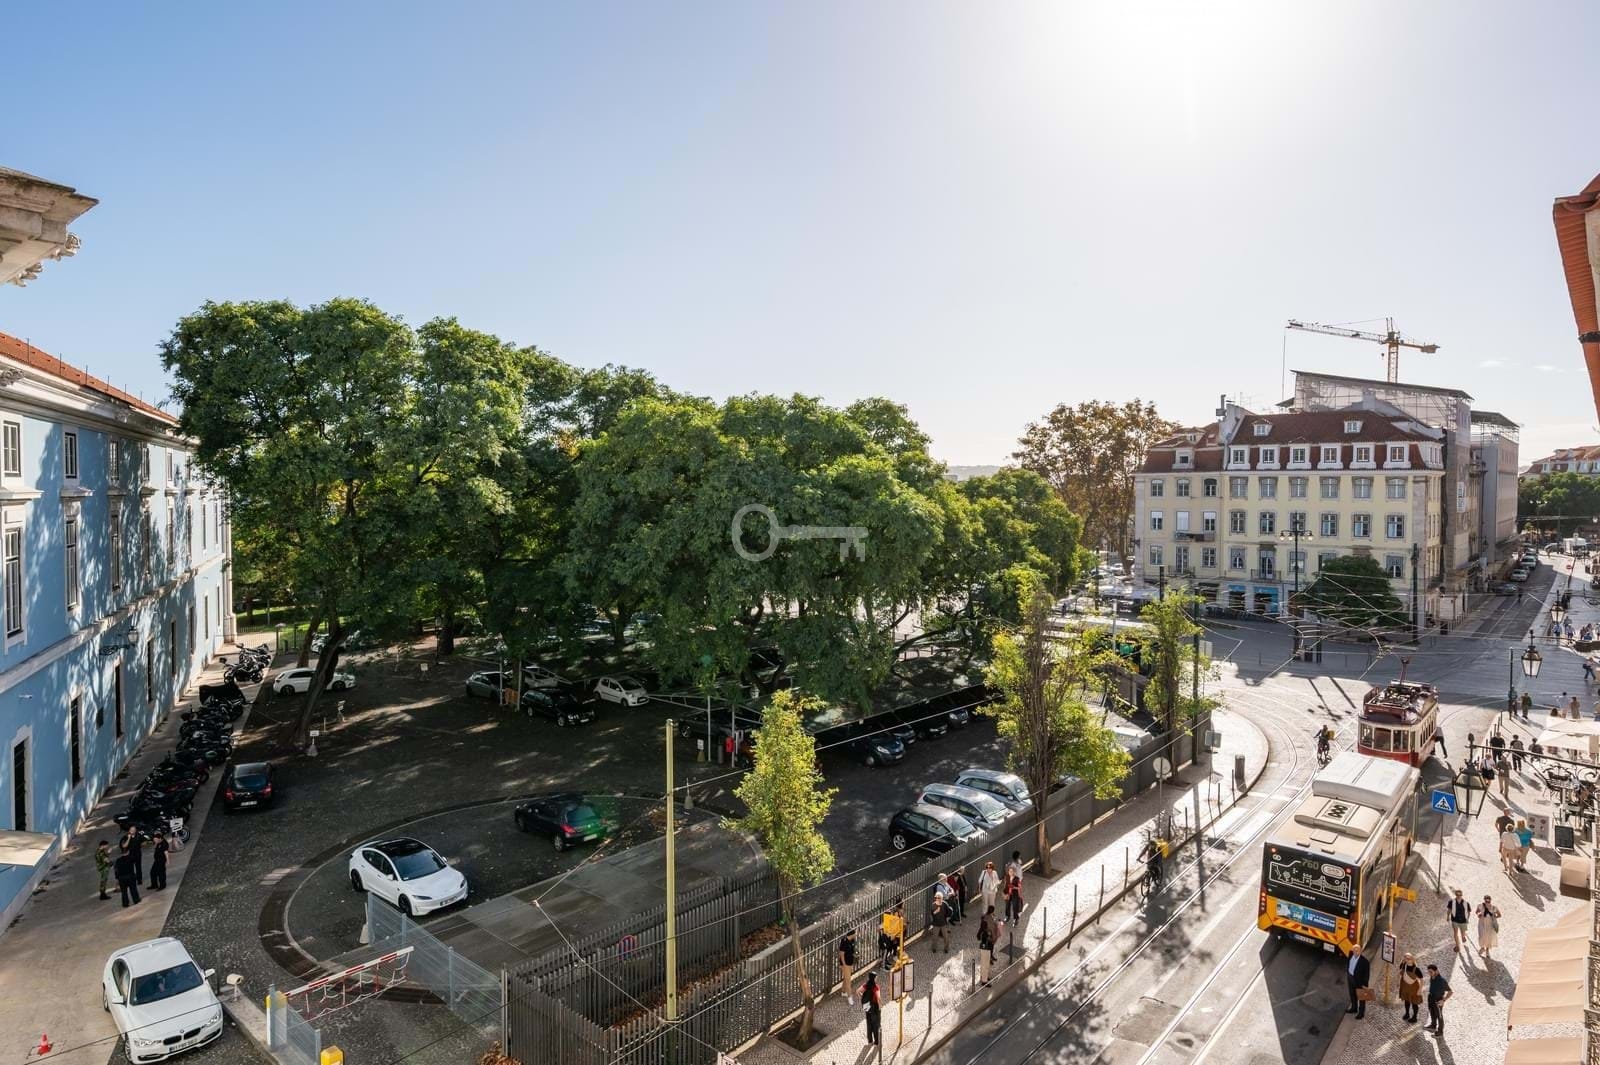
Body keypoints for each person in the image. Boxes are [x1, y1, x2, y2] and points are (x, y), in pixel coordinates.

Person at [1425, 964, 1452, 1035]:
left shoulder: (1442, 981)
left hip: (1438, 1000)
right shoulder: (1432, 977)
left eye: (1431, 972)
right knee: (1432, 1013)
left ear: (1436, 971)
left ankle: (1440, 1031)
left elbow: (1450, 992)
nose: (1429, 973)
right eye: (1428, 972)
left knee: (1439, 1016)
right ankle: (1433, 1025)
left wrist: (1443, 1000)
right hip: (1431, 998)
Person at [1398, 953, 1424, 1023]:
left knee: (1414, 1003)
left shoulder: (1416, 969)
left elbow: (1421, 980)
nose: (1407, 960)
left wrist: (1420, 989)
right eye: (1405, 958)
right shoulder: (1404, 965)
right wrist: (1402, 962)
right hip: (1405, 986)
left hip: (1414, 988)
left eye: (1408, 958)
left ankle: (1414, 1017)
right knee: (1406, 1000)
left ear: (1412, 959)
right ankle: (1407, 1014)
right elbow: (1400, 969)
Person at [1345, 949, 1371, 1019]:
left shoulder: (1365, 962)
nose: (1355, 952)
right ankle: (1354, 1008)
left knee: (1362, 998)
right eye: (1354, 950)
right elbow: (1348, 963)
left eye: (1357, 951)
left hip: (1360, 983)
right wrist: (1348, 972)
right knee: (1352, 994)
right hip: (1351, 979)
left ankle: (1361, 1013)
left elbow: (1366, 975)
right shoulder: (1350, 954)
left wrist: (1364, 985)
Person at [976, 905, 999, 985]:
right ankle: (984, 981)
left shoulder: (986, 921)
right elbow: (979, 935)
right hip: (985, 946)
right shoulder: (985, 927)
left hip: (986, 945)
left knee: (986, 963)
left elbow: (979, 935)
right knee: (985, 964)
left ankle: (984, 977)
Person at [837, 927, 858, 1004]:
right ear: (852, 934)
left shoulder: (852, 940)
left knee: (846, 978)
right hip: (845, 964)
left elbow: (852, 951)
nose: (856, 934)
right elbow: (841, 954)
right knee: (848, 981)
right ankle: (849, 997)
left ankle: (843, 992)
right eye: (855, 933)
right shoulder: (844, 941)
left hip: (850, 962)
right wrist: (843, 964)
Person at [861, 972, 882, 1046]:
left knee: (869, 1024)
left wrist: (863, 998)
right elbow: (878, 998)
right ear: (874, 978)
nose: (877, 978)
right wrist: (880, 1007)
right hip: (875, 1008)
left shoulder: (866, 985)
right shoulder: (876, 987)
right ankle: (876, 1042)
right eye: (876, 977)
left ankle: (870, 1041)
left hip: (867, 1007)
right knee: (876, 1025)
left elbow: (857, 991)